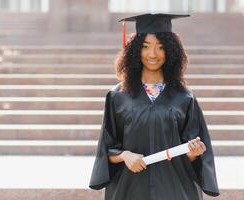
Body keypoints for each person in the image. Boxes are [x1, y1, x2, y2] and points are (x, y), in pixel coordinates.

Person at [89, 13, 219, 200]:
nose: (152, 54)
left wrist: (194, 153)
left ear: (171, 51)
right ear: (134, 50)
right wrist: (125, 156)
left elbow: (193, 155)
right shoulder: (117, 96)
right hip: (129, 189)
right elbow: (106, 147)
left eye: (161, 47)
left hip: (175, 189)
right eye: (145, 47)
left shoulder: (185, 98)